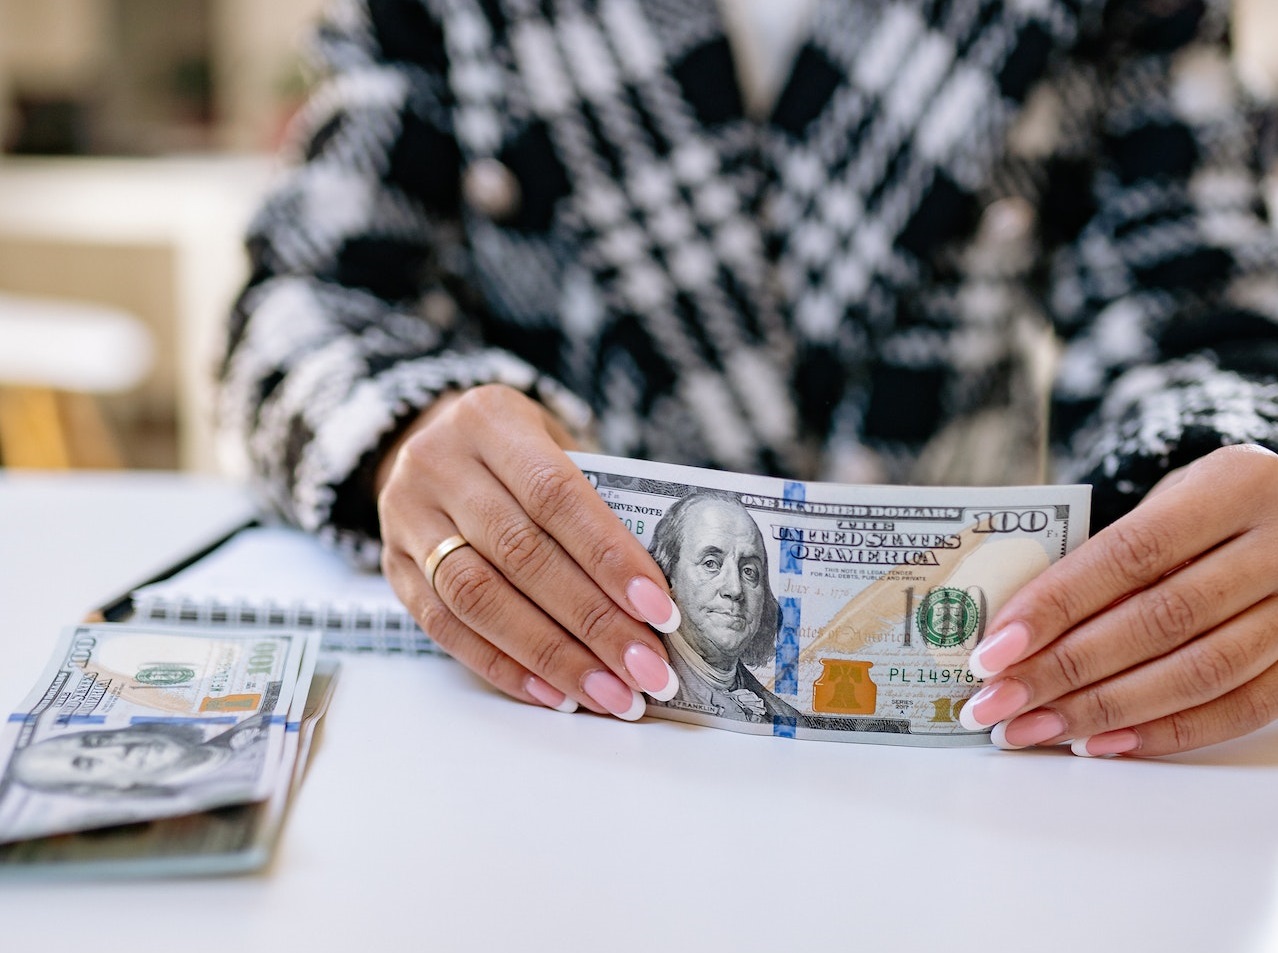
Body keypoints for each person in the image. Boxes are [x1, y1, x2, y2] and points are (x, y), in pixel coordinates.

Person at [218, 0, 1278, 756]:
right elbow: (304, 302)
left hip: (976, 739)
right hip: (555, 739)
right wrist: (413, 434)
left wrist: (1226, 479)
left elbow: (1196, 303)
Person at [645, 489, 801, 723]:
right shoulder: (642, 691)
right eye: (711, 563)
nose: (735, 589)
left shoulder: (786, 718)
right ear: (669, 575)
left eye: (749, 571)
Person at [7, 718, 271, 798]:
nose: (118, 750)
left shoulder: (257, 722)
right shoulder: (227, 796)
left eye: (96, 741)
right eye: (88, 763)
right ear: (105, 789)